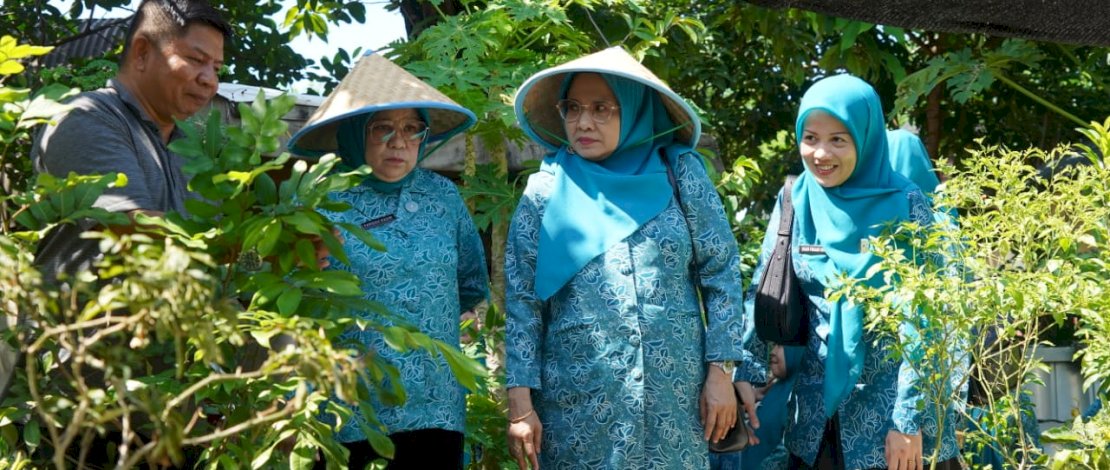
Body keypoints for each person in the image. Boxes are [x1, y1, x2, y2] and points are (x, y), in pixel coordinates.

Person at [504, 46, 746, 470]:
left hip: (675, 404)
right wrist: (520, 406)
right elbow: (523, 303)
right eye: (573, 108)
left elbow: (721, 273)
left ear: (633, 111)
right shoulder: (545, 191)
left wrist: (722, 373)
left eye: (602, 109)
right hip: (577, 410)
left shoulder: (681, 173)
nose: (583, 122)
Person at [734, 74, 962, 469]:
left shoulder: (906, 204)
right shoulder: (795, 199)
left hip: (892, 417)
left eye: (838, 139)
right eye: (810, 138)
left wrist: (907, 420)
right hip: (818, 417)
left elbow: (926, 319)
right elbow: (764, 289)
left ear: (866, 136)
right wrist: (745, 374)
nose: (821, 153)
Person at [286, 50, 489, 470]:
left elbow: (470, 282)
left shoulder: (443, 198)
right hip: (350, 402)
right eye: (383, 128)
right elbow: (284, 291)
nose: (399, 142)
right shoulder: (319, 199)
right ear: (355, 133)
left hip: (436, 403)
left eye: (412, 129)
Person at [32, 0, 230, 281]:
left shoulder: (193, 153)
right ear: (142, 52)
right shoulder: (84, 116)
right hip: (83, 323)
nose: (210, 80)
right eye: (196, 60)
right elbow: (133, 229)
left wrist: (287, 250)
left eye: (217, 68)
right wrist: (252, 242)